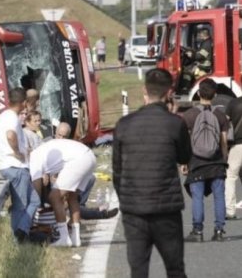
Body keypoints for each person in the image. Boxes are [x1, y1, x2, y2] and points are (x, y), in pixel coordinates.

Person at [113, 68, 191, 278]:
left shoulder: (124, 125)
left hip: (134, 210)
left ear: (144, 90)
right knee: (175, 268)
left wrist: (126, 201)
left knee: (138, 270)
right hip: (166, 209)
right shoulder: (175, 124)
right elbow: (185, 157)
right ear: (169, 93)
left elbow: (117, 172)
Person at [29, 122, 96, 247]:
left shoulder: (33, 158)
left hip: (79, 159)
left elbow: (36, 188)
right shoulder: (44, 150)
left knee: (54, 197)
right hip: (90, 155)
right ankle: (75, 238)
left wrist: (33, 207)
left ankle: (64, 238)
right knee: (72, 197)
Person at [182, 78, 228, 242]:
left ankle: (198, 231)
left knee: (197, 197)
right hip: (216, 163)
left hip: (196, 162)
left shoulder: (189, 115)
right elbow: (223, 142)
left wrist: (184, 162)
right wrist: (224, 160)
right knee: (219, 196)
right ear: (215, 94)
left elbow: (185, 142)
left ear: (199, 93)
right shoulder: (220, 116)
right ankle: (219, 231)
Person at [0, 87, 41, 244]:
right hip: (15, 167)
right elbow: (10, 135)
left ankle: (22, 230)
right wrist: (17, 152)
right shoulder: (12, 118)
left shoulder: (3, 117)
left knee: (34, 200)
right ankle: (18, 240)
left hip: (12, 166)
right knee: (20, 205)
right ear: (23, 103)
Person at [225, 96, 242, 220]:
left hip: (238, 145)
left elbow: (225, 124)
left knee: (231, 176)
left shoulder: (234, 103)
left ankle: (230, 210)